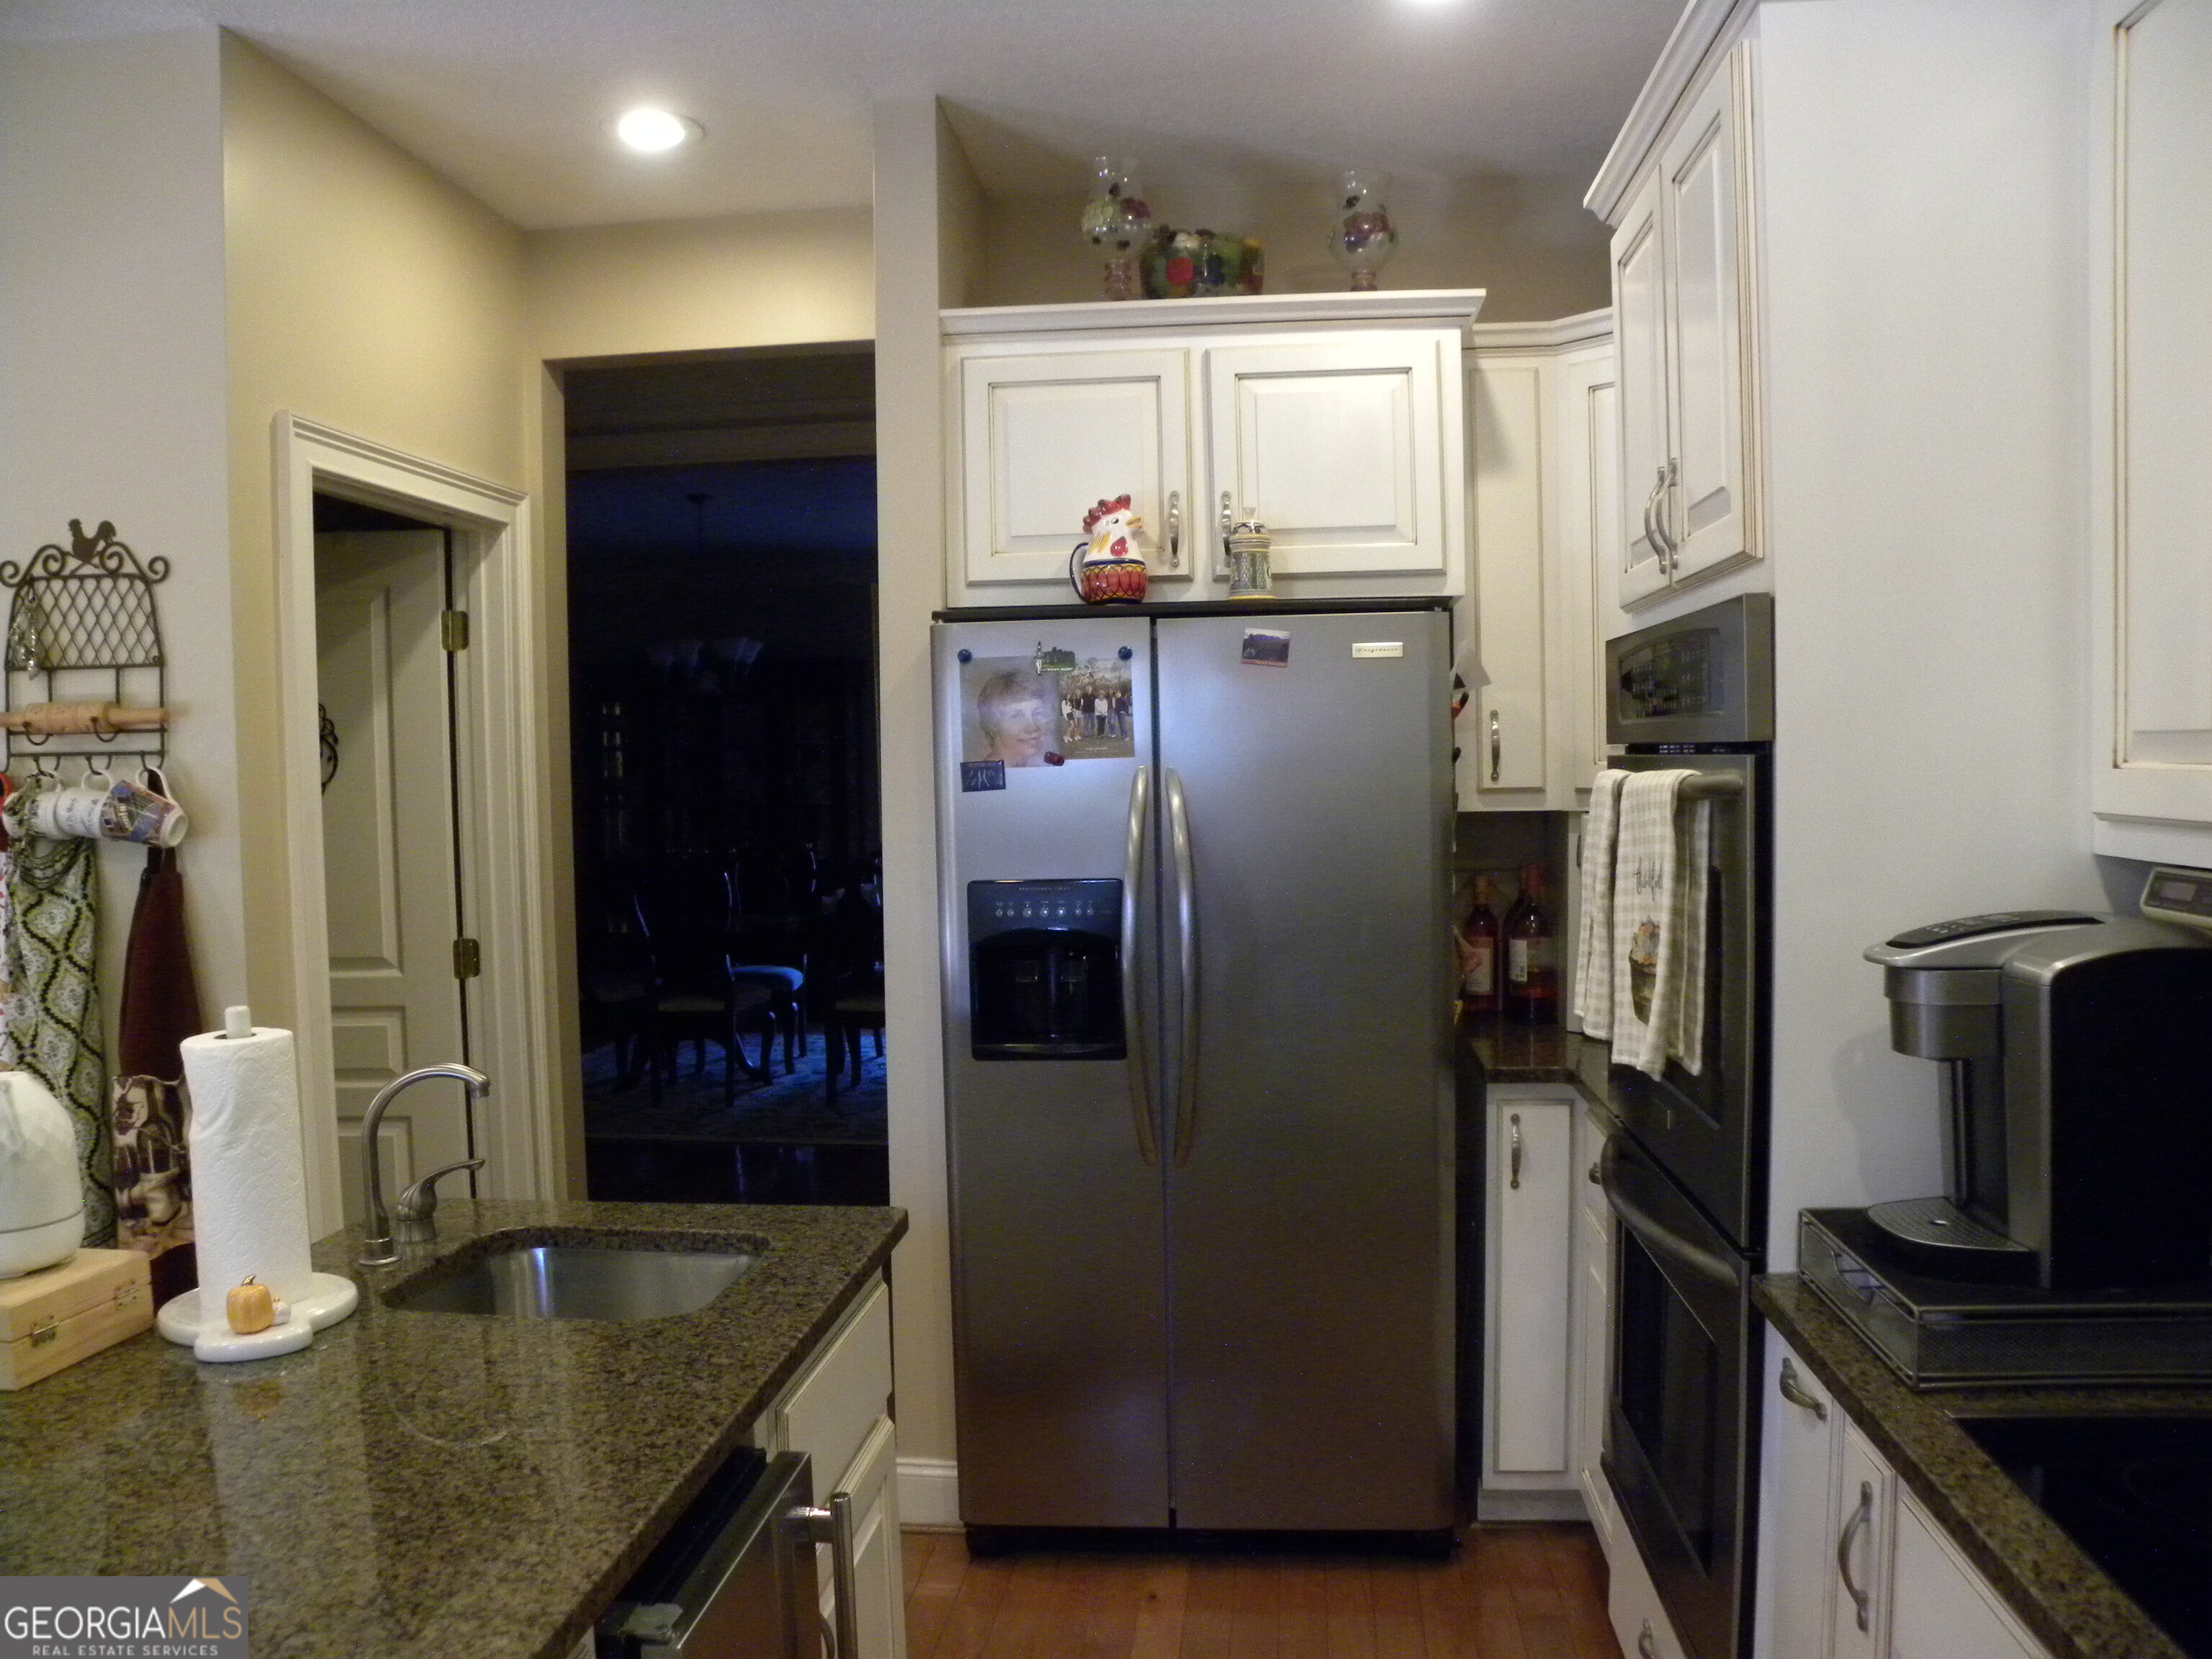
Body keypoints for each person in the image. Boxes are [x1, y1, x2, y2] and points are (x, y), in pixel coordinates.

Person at [974, 670, 1056, 767]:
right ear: (993, 725)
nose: (1033, 727)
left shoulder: (1024, 771)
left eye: (1038, 713)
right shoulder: (986, 777)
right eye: (1016, 716)